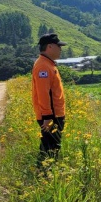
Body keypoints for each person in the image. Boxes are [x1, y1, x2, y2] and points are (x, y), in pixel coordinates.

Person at [31, 33, 67, 168]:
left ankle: (45, 171)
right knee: (51, 147)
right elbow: (43, 93)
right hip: (51, 115)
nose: (60, 49)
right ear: (50, 47)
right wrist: (47, 117)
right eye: (59, 46)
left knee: (51, 146)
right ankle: (45, 172)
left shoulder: (47, 63)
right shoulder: (43, 66)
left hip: (54, 114)